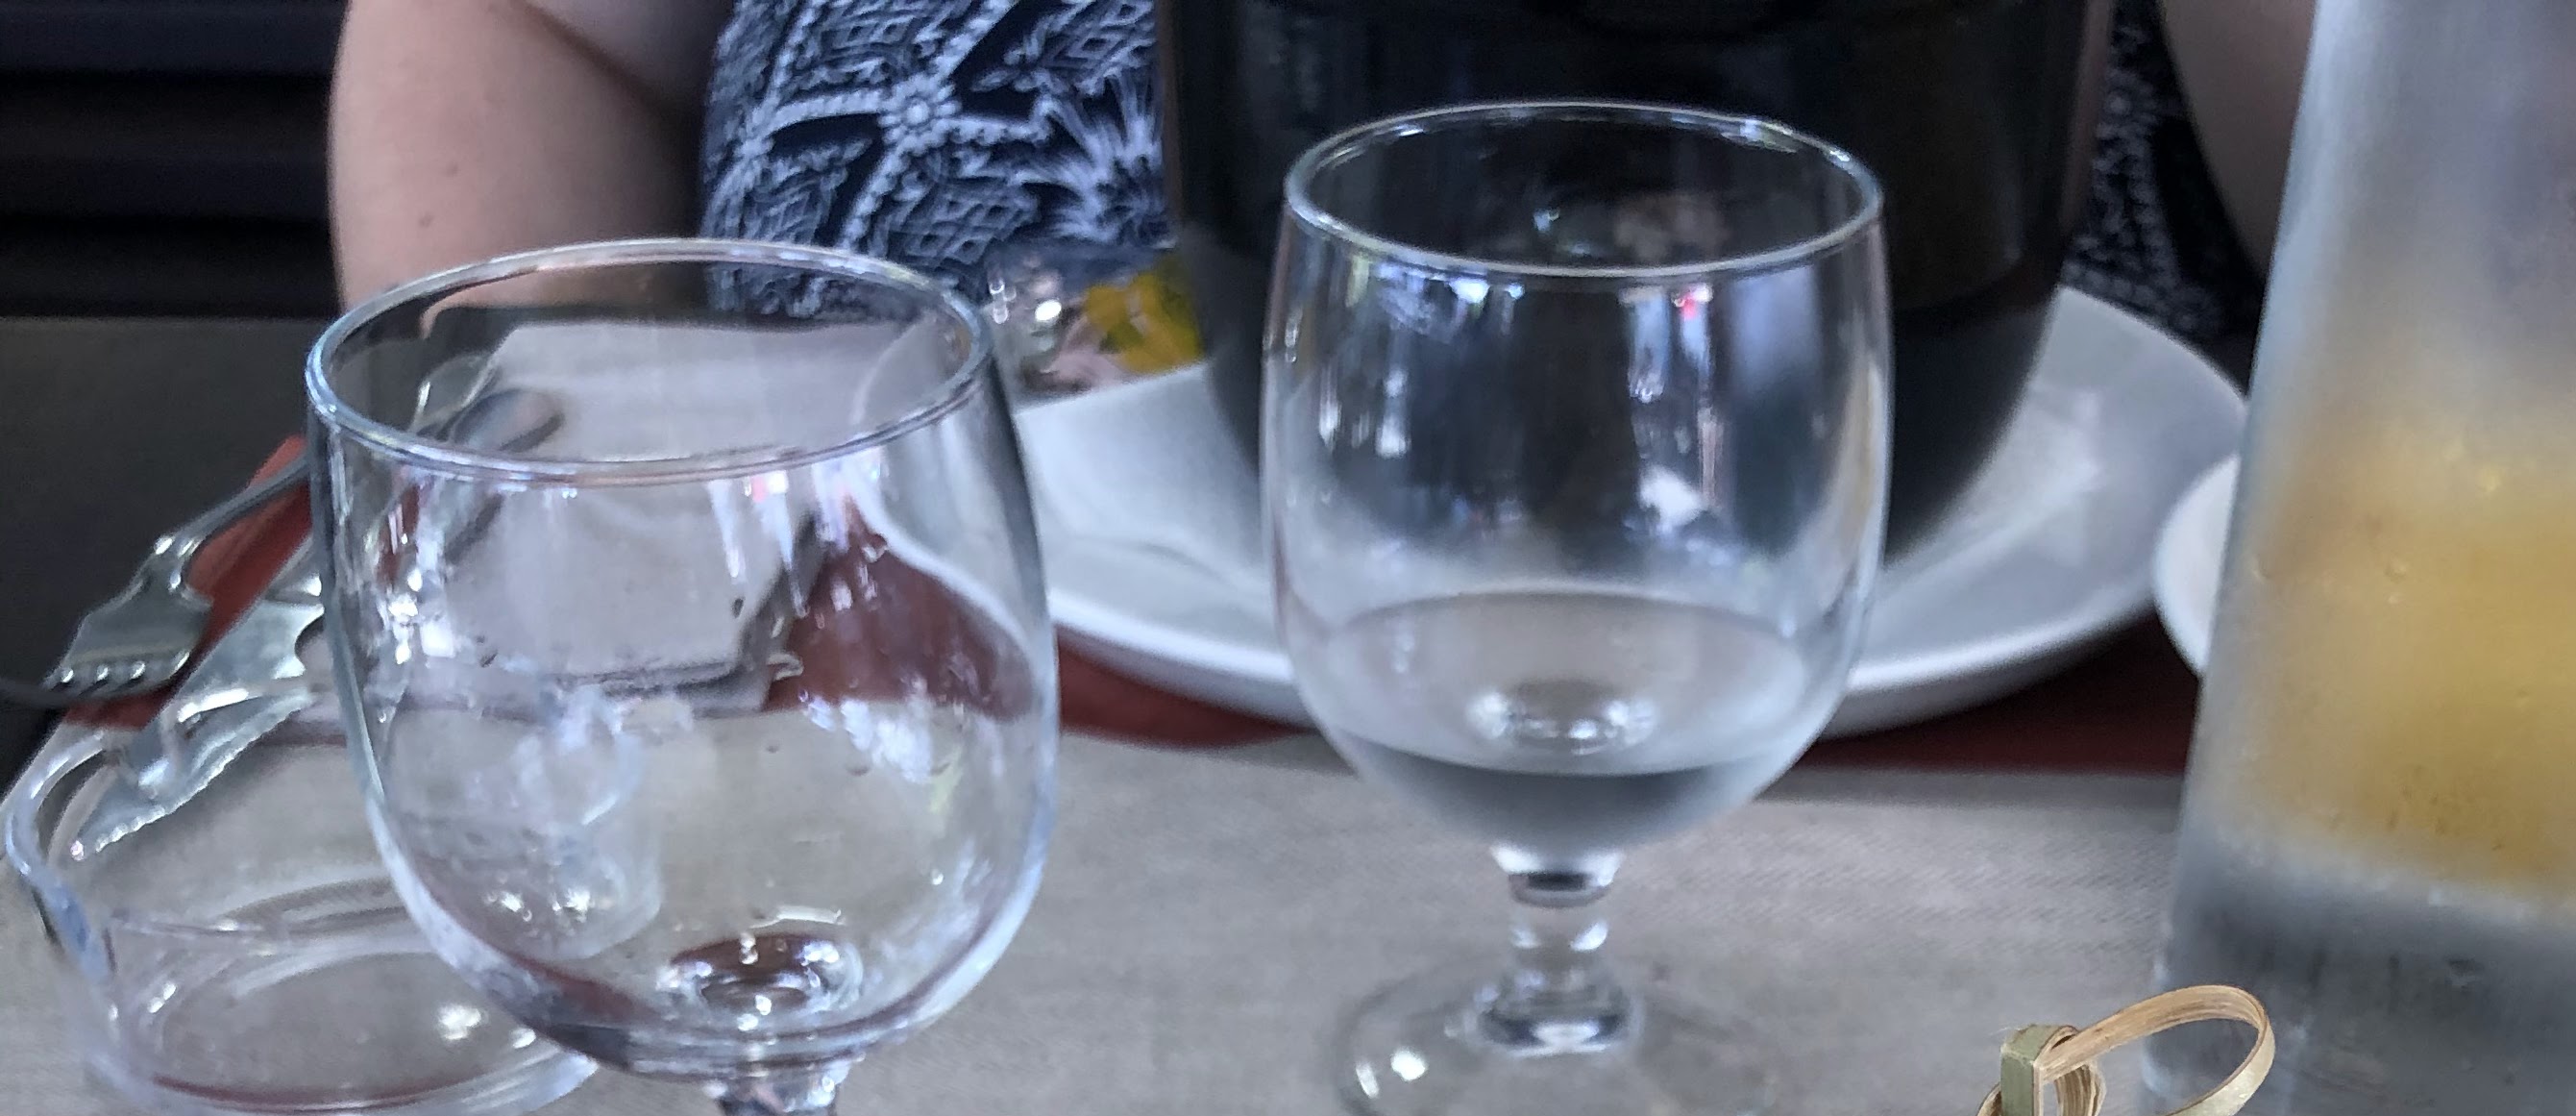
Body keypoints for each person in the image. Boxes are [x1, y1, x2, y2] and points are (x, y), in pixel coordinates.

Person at [333, 0, 2306, 364]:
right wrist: (565, 487)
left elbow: (2446, 234)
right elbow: (529, 27)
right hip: (871, 749)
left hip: (1966, 798)